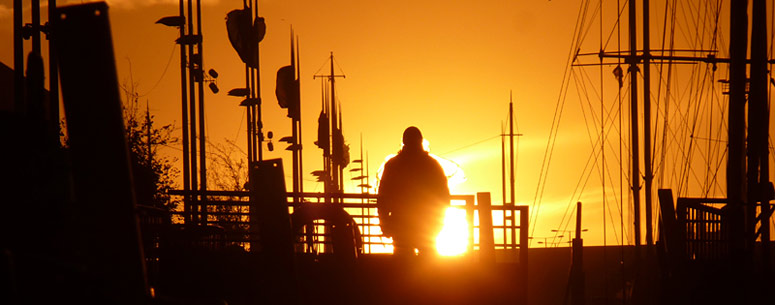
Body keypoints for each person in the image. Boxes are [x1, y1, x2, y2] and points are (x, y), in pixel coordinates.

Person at [377, 126, 450, 256]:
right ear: (421, 141)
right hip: (427, 224)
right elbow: (444, 197)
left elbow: (382, 197)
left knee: (403, 263)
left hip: (400, 224)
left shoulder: (393, 165)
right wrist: (439, 223)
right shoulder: (432, 165)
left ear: (404, 142)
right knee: (428, 265)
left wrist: (384, 223)